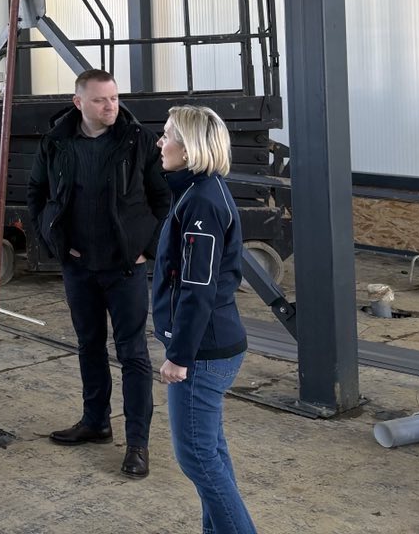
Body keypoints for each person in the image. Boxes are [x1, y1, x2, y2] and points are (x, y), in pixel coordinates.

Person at [27, 68, 170, 478]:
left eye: (114, 98)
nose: (110, 106)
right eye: (100, 100)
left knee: (133, 354)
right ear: (79, 103)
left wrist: (145, 249)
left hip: (125, 268)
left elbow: (164, 199)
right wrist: (57, 244)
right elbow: (36, 194)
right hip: (79, 267)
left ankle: (138, 443)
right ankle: (95, 422)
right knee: (89, 345)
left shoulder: (139, 141)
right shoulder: (56, 142)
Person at [153, 105, 256, 533]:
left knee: (196, 457)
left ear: (189, 146)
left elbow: (197, 289)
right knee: (210, 453)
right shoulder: (198, 192)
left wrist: (179, 355)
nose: (160, 143)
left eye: (167, 135)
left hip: (203, 352)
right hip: (210, 346)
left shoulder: (201, 202)